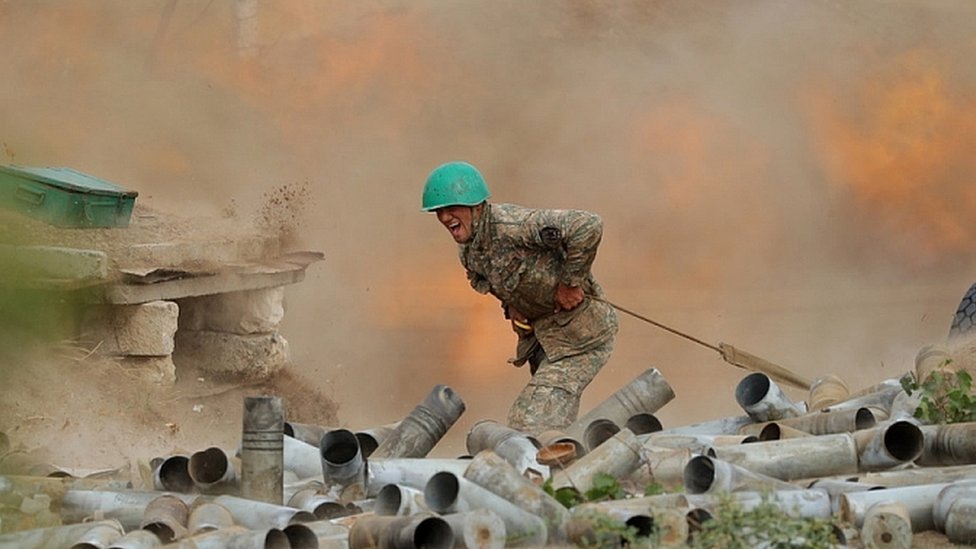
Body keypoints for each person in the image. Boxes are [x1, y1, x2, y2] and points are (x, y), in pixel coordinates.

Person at [421, 160, 618, 435]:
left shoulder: (513, 226)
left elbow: (587, 225)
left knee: (530, 422)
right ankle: (573, 467)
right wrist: (512, 305)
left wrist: (570, 283)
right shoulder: (470, 251)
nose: (444, 218)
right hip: (545, 342)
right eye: (438, 212)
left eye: (451, 208)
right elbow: (497, 280)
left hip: (580, 337)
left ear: (477, 205)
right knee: (552, 424)